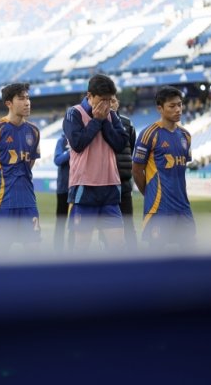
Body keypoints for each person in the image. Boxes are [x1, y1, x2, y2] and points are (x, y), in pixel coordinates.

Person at [62, 74, 128, 252]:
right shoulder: (73, 113)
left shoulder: (112, 115)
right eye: (101, 100)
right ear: (89, 96)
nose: (105, 105)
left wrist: (104, 120)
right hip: (84, 187)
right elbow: (78, 144)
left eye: (109, 100)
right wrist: (97, 120)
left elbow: (120, 144)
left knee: (118, 245)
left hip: (110, 187)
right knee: (81, 246)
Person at [0, 83, 41, 251]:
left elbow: (30, 162)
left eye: (28, 98)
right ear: (9, 103)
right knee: (2, 253)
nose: (27, 102)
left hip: (28, 201)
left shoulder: (34, 131)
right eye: (21, 99)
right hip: (2, 202)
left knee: (33, 251)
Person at [132, 86, 195, 251]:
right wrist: (149, 193)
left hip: (183, 207)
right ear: (160, 108)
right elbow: (137, 170)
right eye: (172, 106)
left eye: (180, 105)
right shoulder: (149, 134)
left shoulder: (185, 136)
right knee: (157, 257)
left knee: (188, 255)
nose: (178, 109)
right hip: (159, 208)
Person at [111, 95, 138, 250]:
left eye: (114, 101)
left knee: (128, 223)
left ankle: (133, 256)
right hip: (106, 183)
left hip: (124, 183)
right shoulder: (100, 122)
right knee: (108, 226)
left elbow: (131, 148)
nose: (111, 104)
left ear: (118, 103)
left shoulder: (127, 123)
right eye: (108, 101)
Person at [53, 132, 70, 253]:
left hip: (78, 188)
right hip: (64, 188)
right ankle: (58, 249)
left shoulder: (81, 137)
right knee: (61, 221)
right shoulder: (62, 141)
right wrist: (71, 152)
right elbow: (57, 160)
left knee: (77, 221)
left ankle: (74, 249)